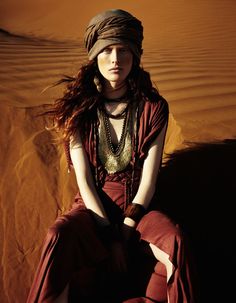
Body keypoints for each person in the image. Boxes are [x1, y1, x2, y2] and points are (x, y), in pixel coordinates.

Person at [27, 9, 196, 303]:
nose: (115, 59)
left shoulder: (154, 108)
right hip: (92, 210)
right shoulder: (78, 109)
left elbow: (149, 181)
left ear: (135, 54)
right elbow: (84, 180)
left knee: (175, 242)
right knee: (57, 236)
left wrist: (127, 232)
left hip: (138, 210)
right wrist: (109, 235)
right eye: (106, 50)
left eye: (123, 49)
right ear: (95, 56)